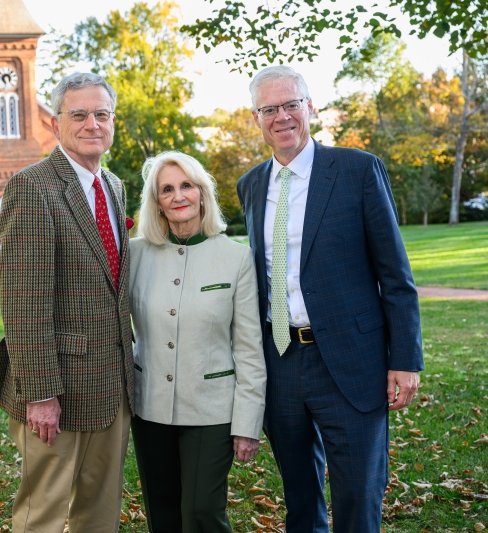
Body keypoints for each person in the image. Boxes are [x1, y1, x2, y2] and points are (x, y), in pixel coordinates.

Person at [236, 65, 424, 532]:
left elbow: (395, 275)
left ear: (310, 107)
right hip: (279, 360)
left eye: (290, 104)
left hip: (351, 361)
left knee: (358, 499)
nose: (281, 116)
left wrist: (405, 358)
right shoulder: (251, 185)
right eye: (269, 108)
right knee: (300, 500)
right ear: (256, 117)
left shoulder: (358, 170)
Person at [0, 72, 135, 533]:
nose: (92, 124)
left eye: (102, 114)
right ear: (56, 123)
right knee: (43, 516)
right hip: (57, 390)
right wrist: (41, 394)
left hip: (112, 385)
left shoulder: (112, 185)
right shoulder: (33, 188)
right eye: (79, 114)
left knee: (100, 512)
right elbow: (24, 301)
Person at [129, 151, 266, 533]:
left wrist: (248, 423)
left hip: (213, 410)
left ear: (202, 192)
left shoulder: (236, 258)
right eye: (167, 189)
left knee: (202, 512)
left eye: (186, 185)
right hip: (149, 405)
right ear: (156, 201)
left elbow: (249, 348)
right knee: (163, 513)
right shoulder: (135, 254)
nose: (178, 195)